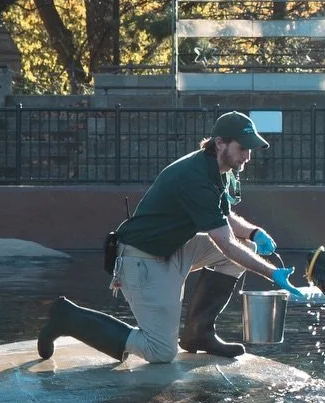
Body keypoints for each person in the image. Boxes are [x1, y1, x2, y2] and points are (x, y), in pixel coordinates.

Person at [37, 111, 305, 365]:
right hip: (141, 260)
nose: (247, 156)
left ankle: (200, 332)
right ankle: (68, 318)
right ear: (220, 143)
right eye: (242, 148)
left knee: (246, 247)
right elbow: (224, 242)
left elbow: (222, 216)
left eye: (250, 149)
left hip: (173, 249)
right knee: (161, 351)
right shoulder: (194, 177)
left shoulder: (219, 170)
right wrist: (274, 274)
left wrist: (254, 233)